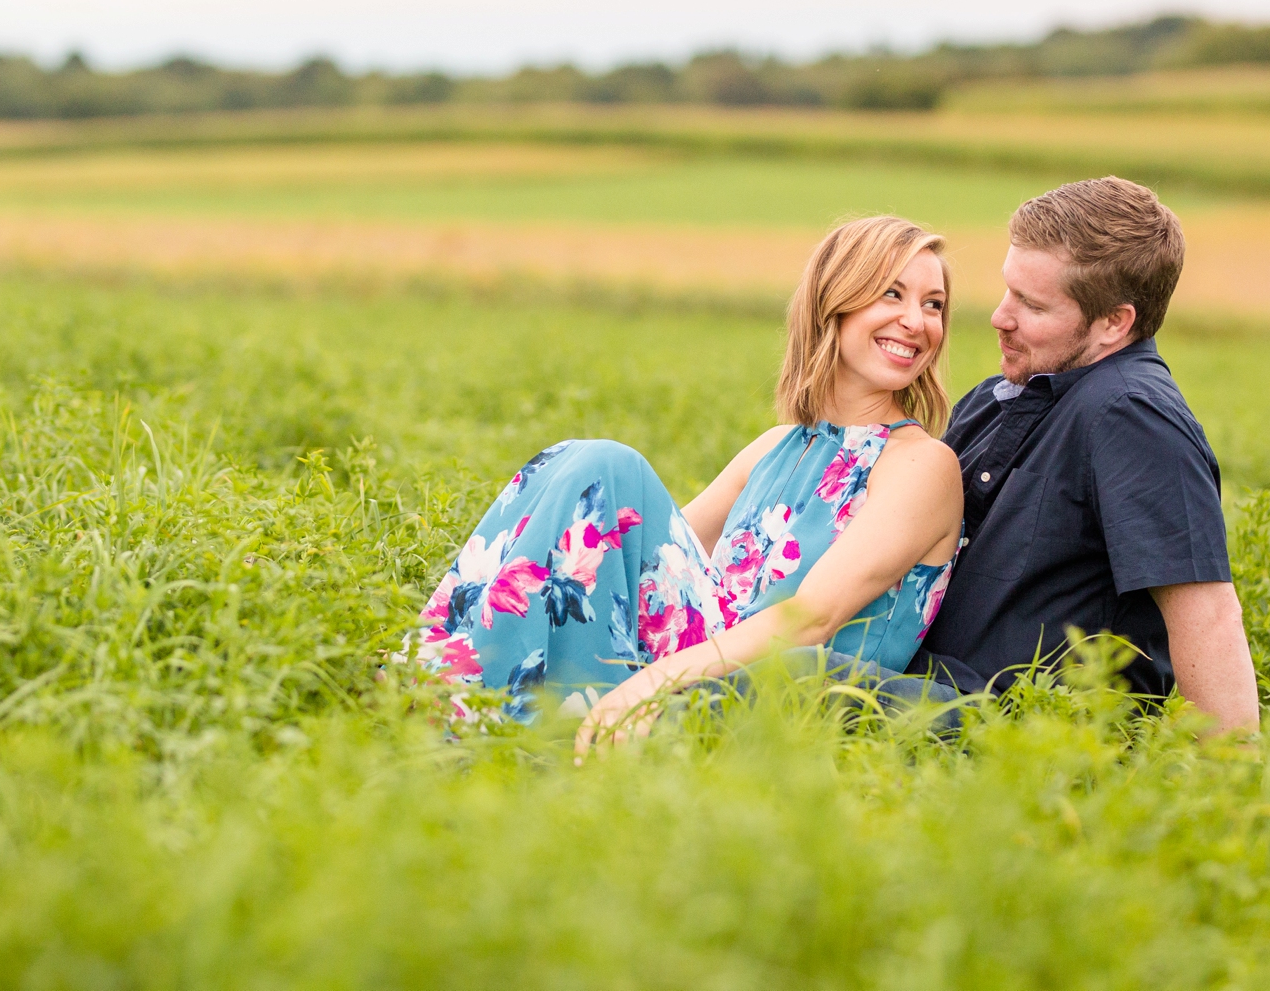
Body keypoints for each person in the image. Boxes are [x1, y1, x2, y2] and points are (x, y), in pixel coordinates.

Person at [413, 215, 966, 753]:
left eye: (933, 304)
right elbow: (641, 545)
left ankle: (451, 708)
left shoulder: (922, 467)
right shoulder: (779, 445)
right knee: (583, 467)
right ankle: (442, 690)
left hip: (768, 689)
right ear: (835, 302)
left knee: (607, 466)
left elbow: (813, 618)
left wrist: (649, 684)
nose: (918, 321)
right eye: (892, 294)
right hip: (699, 660)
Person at [909, 176, 1259, 733]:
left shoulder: (1132, 416)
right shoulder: (1002, 395)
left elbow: (1208, 616)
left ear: (1113, 324)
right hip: (920, 690)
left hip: (1025, 733)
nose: (1000, 316)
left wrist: (1230, 794)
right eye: (1008, 290)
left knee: (780, 677)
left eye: (1032, 303)